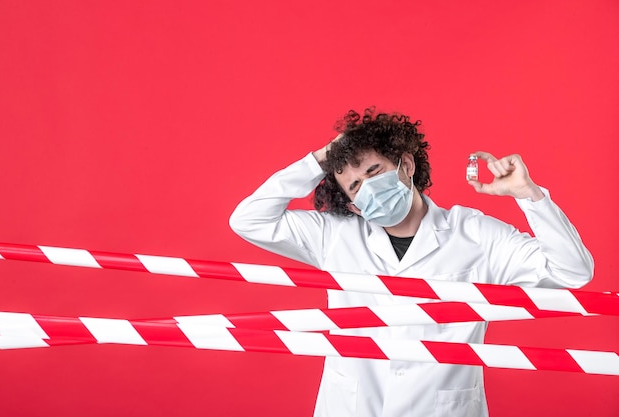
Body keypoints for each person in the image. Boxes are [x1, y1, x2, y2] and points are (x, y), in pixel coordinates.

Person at [229, 108, 594, 417]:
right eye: (354, 186)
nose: (366, 187)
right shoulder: (334, 235)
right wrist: (319, 159)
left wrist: (529, 196)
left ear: (405, 163)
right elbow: (249, 220)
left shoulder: (475, 235)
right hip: (351, 405)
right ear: (351, 205)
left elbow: (571, 271)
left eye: (372, 171)